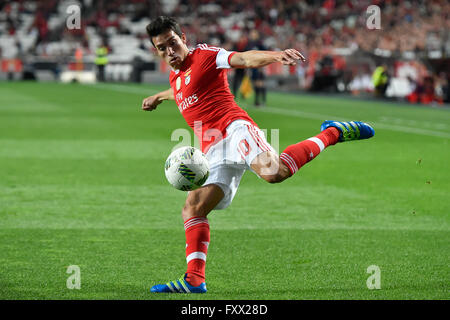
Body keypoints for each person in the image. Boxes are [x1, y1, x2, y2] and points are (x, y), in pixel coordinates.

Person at [142, 16, 374, 294]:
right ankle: (193, 280)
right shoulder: (175, 76)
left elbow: (243, 59)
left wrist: (277, 56)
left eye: (173, 43)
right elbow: (179, 91)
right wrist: (158, 97)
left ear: (183, 39)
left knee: (274, 173)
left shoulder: (205, 56)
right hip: (213, 148)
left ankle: (332, 133)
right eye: (162, 48)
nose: (169, 51)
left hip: (234, 128)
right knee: (193, 208)